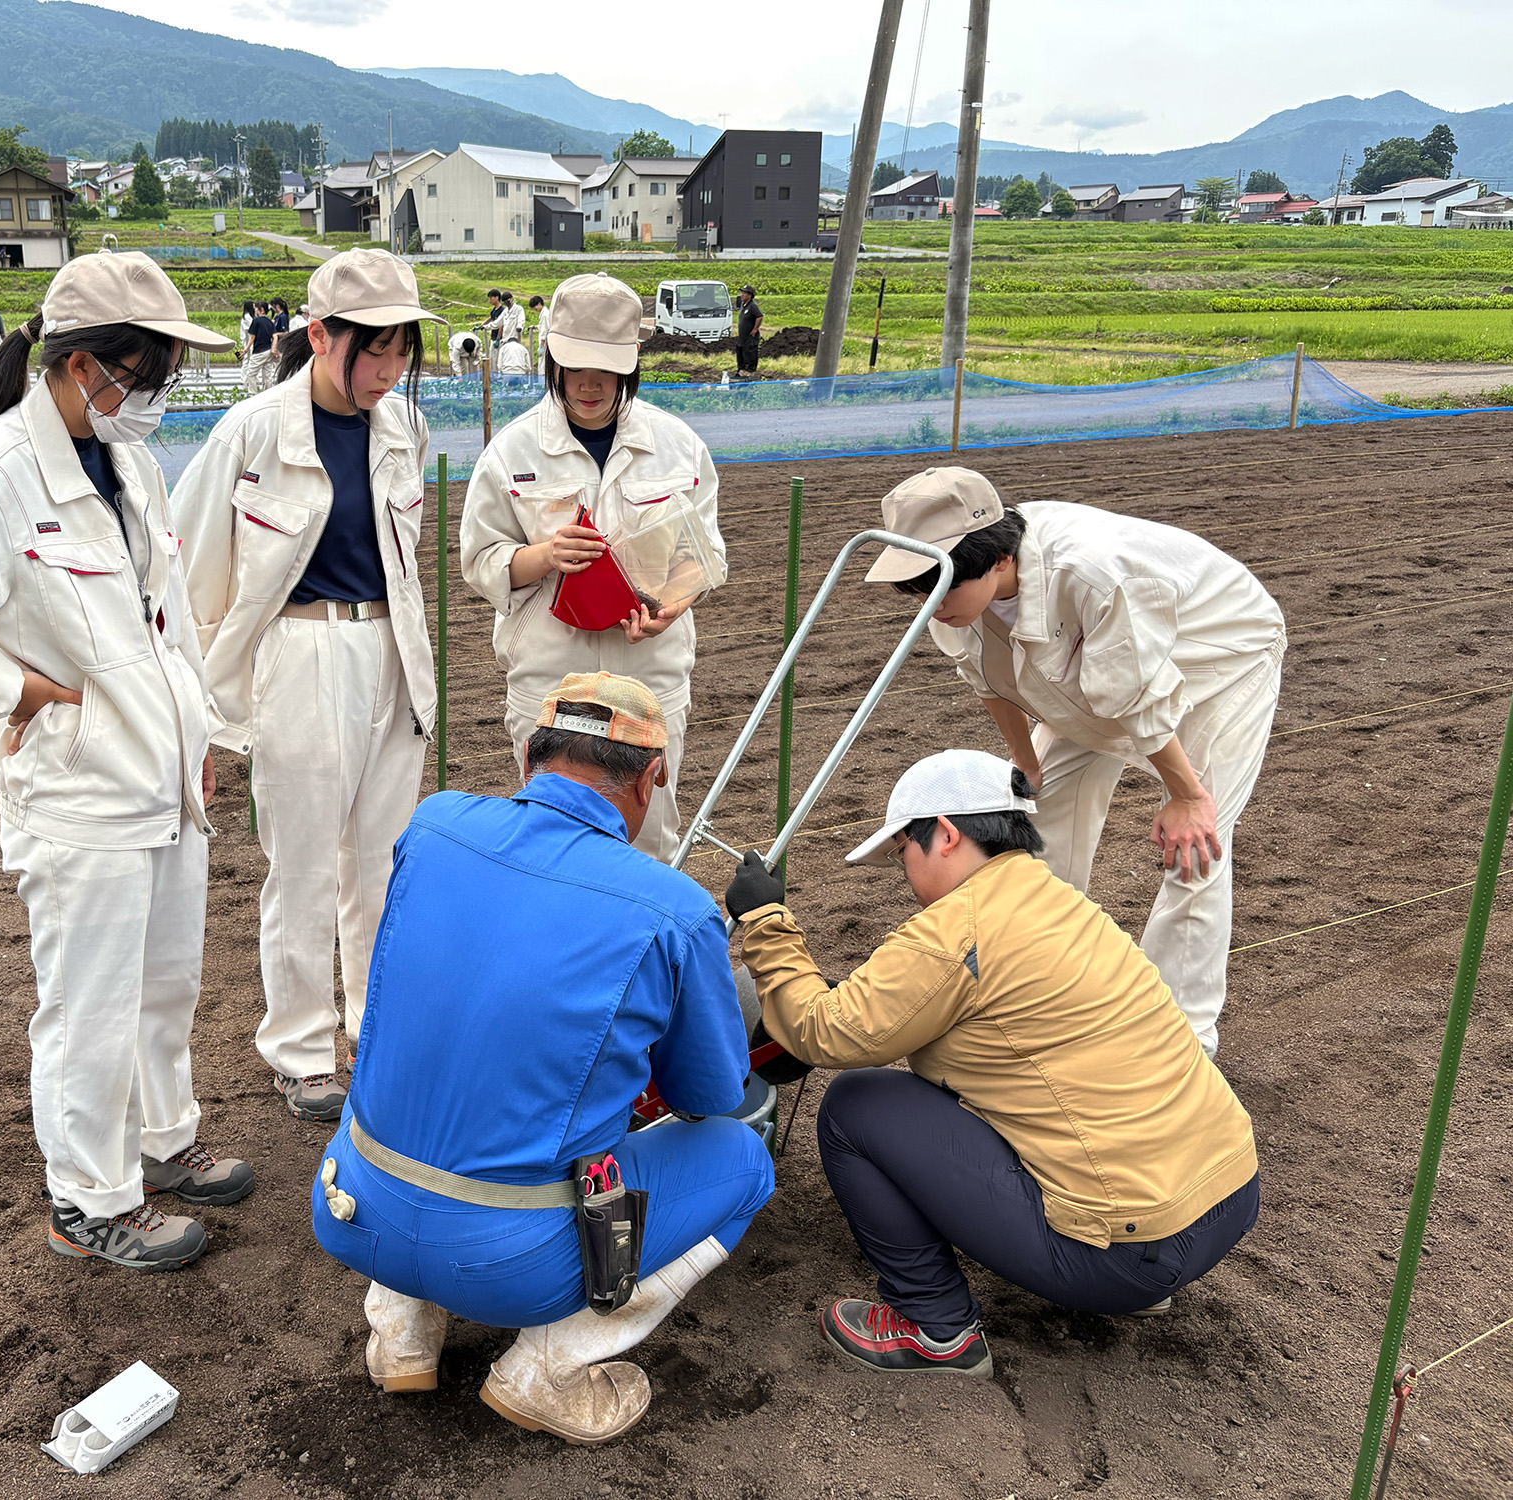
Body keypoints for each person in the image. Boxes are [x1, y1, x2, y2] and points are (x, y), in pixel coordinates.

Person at [0, 249, 247, 1271]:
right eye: (145, 373)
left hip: (160, 775)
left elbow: (164, 619)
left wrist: (197, 734)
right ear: (81, 365)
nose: (157, 395)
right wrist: (4, 688)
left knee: (164, 985)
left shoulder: (127, 461)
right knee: (90, 1007)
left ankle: (162, 1140)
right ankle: (87, 1197)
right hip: (79, 791)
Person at [312, 673, 773, 1442]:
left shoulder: (432, 826)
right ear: (652, 780)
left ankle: (401, 1334)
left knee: (428, 1077)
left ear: (529, 755)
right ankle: (548, 1368)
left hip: (351, 1205)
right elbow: (708, 1098)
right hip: (511, 1266)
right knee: (741, 1159)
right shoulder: (675, 909)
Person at [721, 749, 1259, 1377]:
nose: (905, 872)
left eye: (904, 850)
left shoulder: (959, 929)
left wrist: (765, 922)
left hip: (1128, 1253)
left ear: (946, 835)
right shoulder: (1056, 899)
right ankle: (1140, 1272)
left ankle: (935, 1325)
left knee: (854, 1106)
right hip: (1227, 1195)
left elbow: (825, 1032)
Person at [867, 468, 1285, 1055]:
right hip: (1093, 676)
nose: (928, 605)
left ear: (998, 560)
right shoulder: (953, 601)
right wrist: (1025, 762)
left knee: (1195, 848)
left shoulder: (1092, 574)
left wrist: (1187, 796)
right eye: (916, 589)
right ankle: (1036, 985)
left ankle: (1178, 1041)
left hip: (1217, 659)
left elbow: (1136, 694)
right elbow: (989, 678)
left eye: (937, 587)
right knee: (1029, 820)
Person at [171, 247, 443, 1123]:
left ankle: (374, 1028)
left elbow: (404, 562)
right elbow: (191, 571)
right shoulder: (251, 432)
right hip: (298, 652)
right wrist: (201, 705)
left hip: (389, 649)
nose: (389, 371)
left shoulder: (404, 428)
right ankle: (300, 1049)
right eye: (375, 350)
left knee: (383, 862)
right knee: (303, 865)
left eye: (401, 351)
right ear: (321, 336)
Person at [460, 272, 726, 861]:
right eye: (575, 365)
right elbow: (479, 560)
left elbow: (702, 556)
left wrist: (672, 606)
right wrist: (545, 555)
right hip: (551, 682)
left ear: (632, 362)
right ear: (551, 358)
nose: (589, 383)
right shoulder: (513, 451)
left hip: (650, 677)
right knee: (548, 851)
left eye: (607, 367)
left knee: (647, 847)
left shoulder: (678, 446)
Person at [240, 302, 277, 395]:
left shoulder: (256, 321)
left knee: (251, 374)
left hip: (259, 352)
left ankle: (253, 394)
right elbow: (275, 336)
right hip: (268, 351)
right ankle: (268, 394)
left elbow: (252, 337)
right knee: (267, 376)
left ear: (262, 309)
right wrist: (273, 349)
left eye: (256, 308)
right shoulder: (270, 321)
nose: (255, 310)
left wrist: (245, 350)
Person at [734, 285, 761, 379]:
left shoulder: (752, 306)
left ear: (750, 295)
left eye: (744, 293)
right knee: (741, 351)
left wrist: (755, 329)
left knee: (750, 352)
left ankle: (749, 371)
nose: (742, 295)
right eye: (742, 293)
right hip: (742, 336)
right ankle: (741, 370)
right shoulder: (743, 305)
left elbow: (759, 316)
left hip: (750, 336)